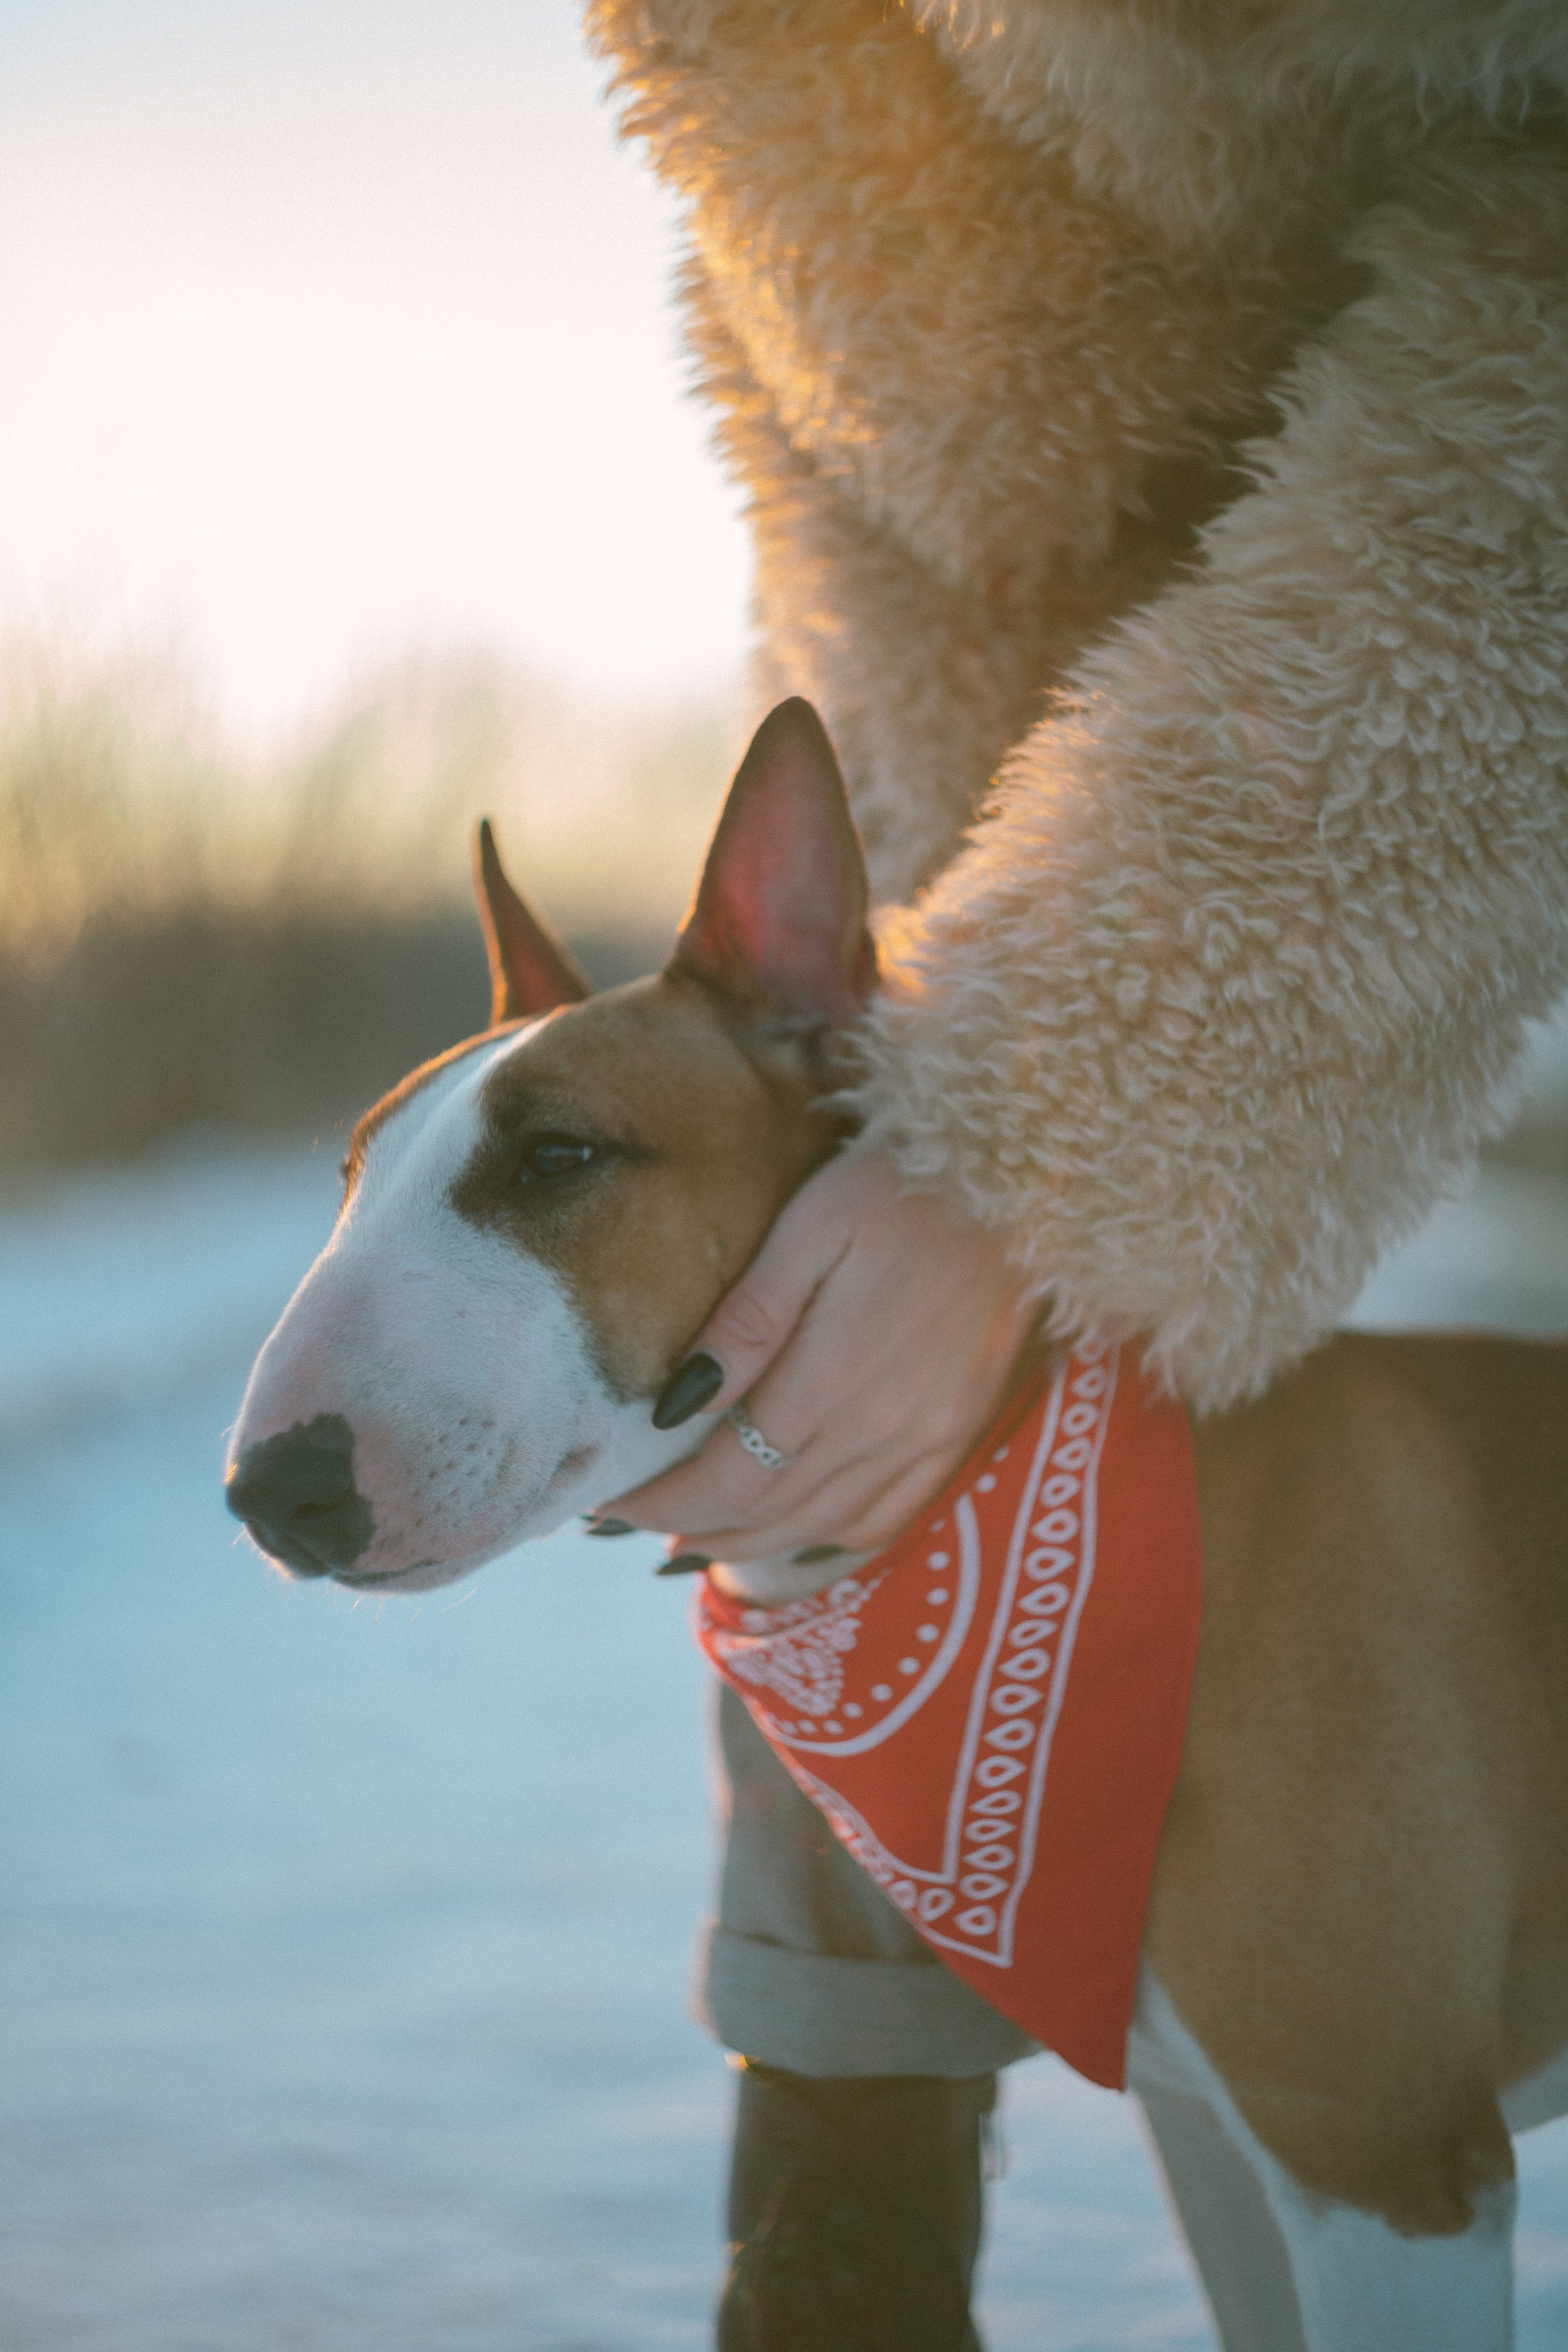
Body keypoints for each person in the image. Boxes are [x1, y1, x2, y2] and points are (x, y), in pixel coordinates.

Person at [584, 4, 1568, 2343]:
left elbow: (1522, 461)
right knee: (830, 1442)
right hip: (1028, 772)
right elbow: (888, 498)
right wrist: (862, 1072)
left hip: (1409, 699)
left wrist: (1030, 1139)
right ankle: (851, 2163)